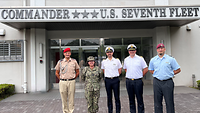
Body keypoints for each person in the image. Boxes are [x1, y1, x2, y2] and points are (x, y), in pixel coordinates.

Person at [148, 43, 181, 113]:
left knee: (169, 101)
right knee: (157, 102)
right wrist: (157, 74)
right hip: (157, 82)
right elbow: (150, 69)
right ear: (157, 50)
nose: (160, 50)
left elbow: (178, 69)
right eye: (159, 48)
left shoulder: (171, 59)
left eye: (162, 48)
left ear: (164, 49)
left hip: (167, 82)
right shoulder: (153, 60)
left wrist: (170, 73)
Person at [123, 44, 148, 113]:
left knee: (139, 99)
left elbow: (146, 69)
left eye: (133, 50)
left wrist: (140, 75)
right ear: (128, 51)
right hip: (129, 81)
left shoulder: (140, 59)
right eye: (130, 50)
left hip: (138, 81)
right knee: (131, 99)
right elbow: (125, 69)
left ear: (135, 51)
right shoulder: (126, 59)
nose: (132, 51)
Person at [55, 48, 80, 113]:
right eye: (66, 53)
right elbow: (57, 72)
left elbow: (77, 71)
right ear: (64, 54)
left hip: (71, 81)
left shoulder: (74, 61)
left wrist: (73, 78)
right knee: (64, 98)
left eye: (68, 53)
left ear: (70, 53)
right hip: (63, 82)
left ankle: (71, 111)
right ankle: (65, 111)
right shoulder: (60, 62)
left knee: (71, 98)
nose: (67, 54)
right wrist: (61, 78)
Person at [101, 46, 122, 113]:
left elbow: (120, 70)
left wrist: (115, 75)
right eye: (108, 52)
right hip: (108, 80)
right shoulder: (104, 62)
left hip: (115, 80)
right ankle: (110, 111)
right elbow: (103, 70)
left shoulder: (117, 60)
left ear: (112, 53)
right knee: (109, 97)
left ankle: (118, 111)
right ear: (106, 53)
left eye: (110, 52)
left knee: (117, 97)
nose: (109, 53)